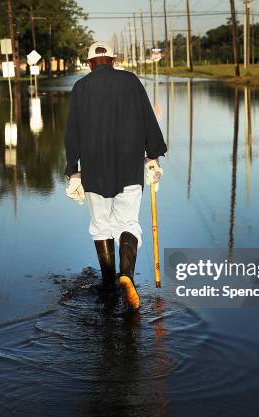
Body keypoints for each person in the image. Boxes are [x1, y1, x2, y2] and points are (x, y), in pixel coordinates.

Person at [63, 40, 167, 310]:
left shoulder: (80, 88)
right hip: (128, 168)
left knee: (101, 225)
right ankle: (126, 276)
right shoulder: (131, 81)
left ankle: (108, 283)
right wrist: (153, 154)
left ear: (89, 64)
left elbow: (72, 132)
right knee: (128, 223)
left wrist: (72, 169)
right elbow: (147, 118)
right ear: (113, 60)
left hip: (94, 170)